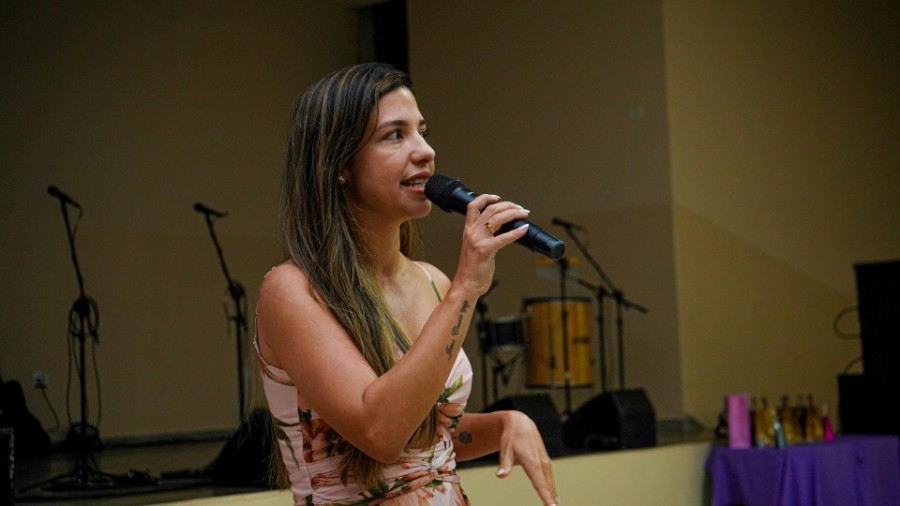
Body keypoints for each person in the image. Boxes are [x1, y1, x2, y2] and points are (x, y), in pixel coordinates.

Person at [253, 62, 559, 506]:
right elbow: (381, 434)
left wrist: (504, 424)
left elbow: (425, 440)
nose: (426, 151)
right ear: (339, 164)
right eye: (395, 135)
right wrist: (466, 287)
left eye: (422, 131)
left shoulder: (432, 282)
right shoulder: (292, 291)